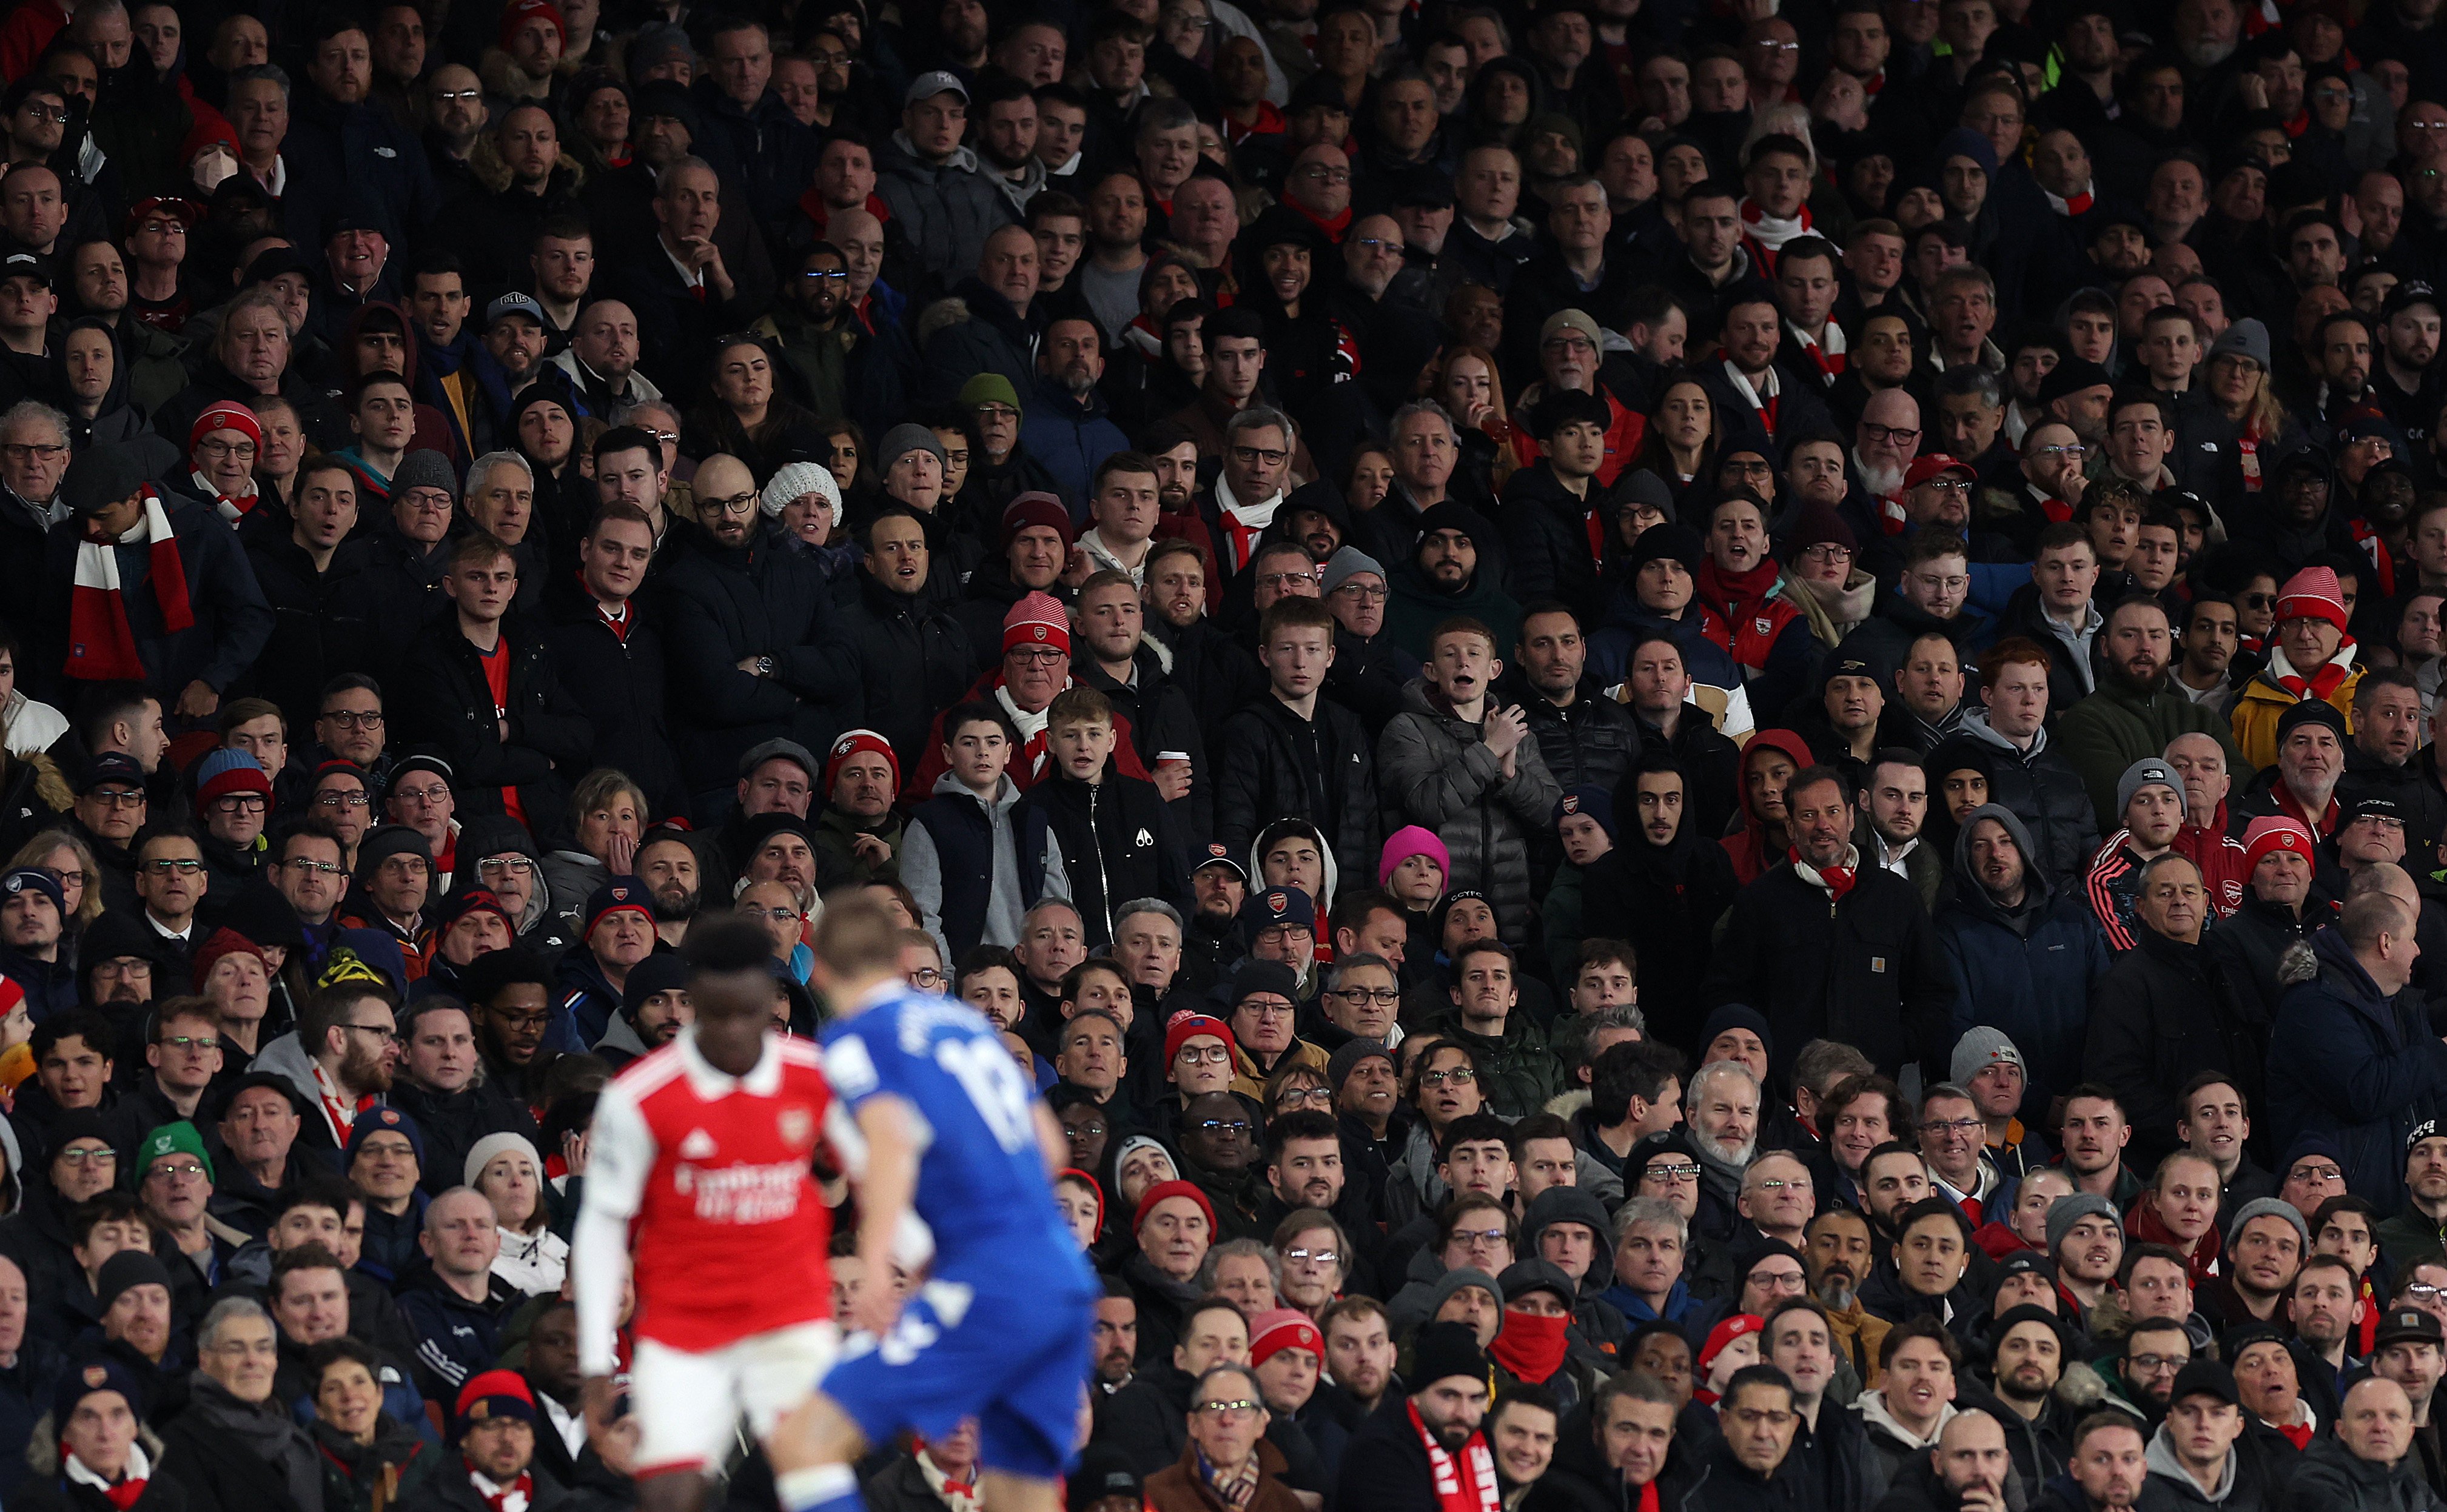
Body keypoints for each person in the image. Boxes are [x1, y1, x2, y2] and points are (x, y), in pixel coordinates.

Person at [760, 894, 1095, 1512]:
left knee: (803, 1443)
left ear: (821, 970)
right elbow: (1050, 1148)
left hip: (987, 1284)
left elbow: (890, 1141)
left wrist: (878, 1261)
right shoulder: (967, 1025)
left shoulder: (854, 1038)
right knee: (1022, 1490)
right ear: (895, 964)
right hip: (1062, 1278)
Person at [1704, 764, 1953, 1081]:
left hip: (1874, 1091)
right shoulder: (1760, 901)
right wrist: (1763, 1050)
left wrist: (1896, 1046)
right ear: (1791, 827)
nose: (1823, 825)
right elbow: (1726, 992)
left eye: (1832, 812)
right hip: (1787, 1090)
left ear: (1851, 818)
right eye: (1808, 816)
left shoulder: (1898, 899)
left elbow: (1934, 992)